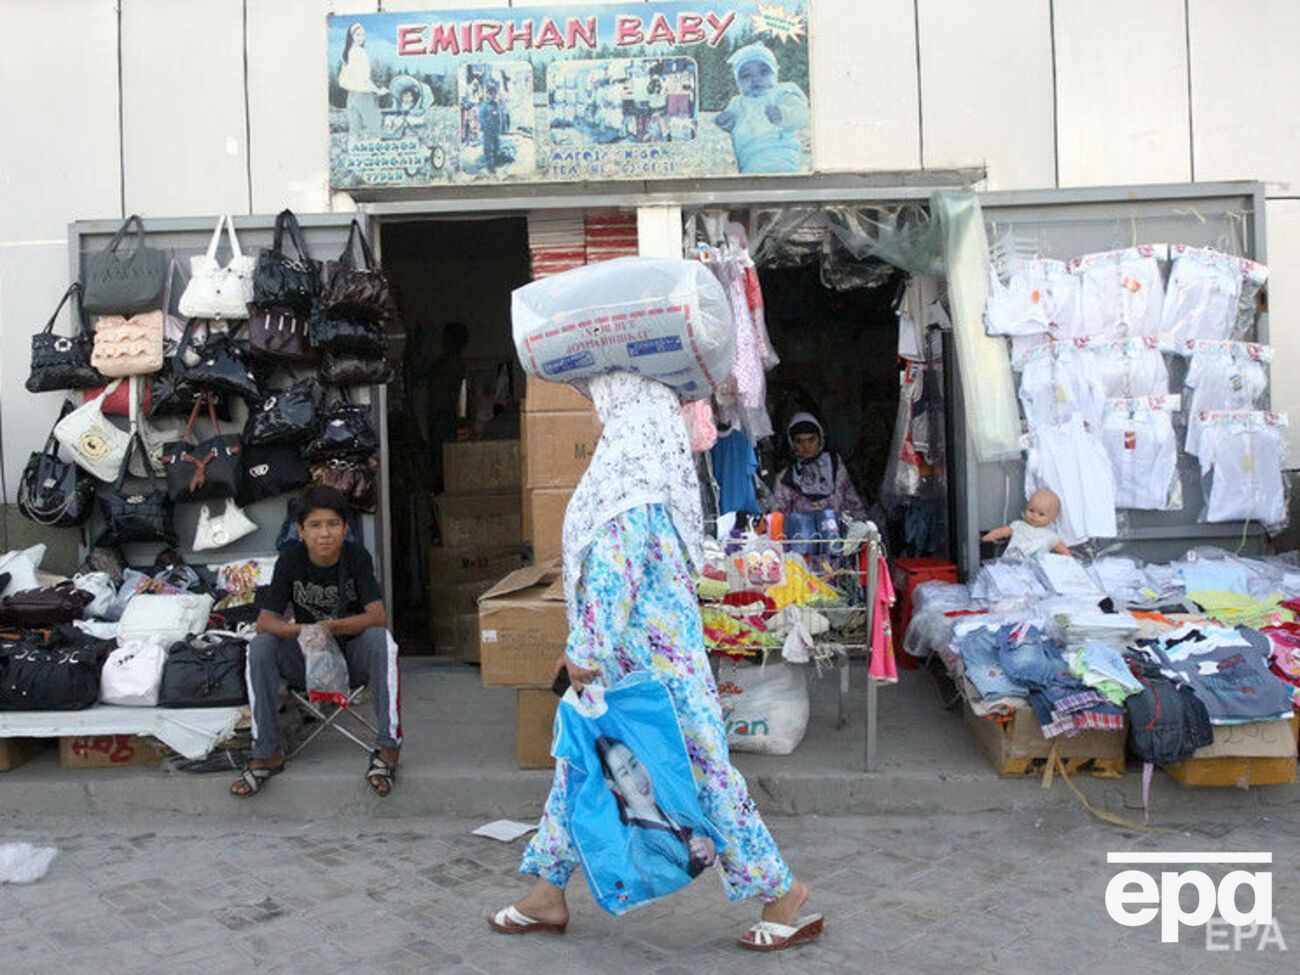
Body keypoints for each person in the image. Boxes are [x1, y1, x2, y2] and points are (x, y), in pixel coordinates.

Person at [488, 372, 823, 952]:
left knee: (706, 782)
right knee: (582, 769)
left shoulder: (628, 493)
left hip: (646, 680)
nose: (599, 420)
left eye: (607, 408)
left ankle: (783, 892)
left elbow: (615, 580)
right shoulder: (655, 490)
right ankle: (547, 890)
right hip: (643, 672)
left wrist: (583, 652)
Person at [230, 486, 401, 799]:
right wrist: (308, 631)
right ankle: (266, 751)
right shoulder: (290, 560)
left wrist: (332, 627)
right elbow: (265, 622)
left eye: (333, 524)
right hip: (309, 659)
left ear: (346, 529)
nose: (325, 534)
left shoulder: (356, 557)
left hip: (351, 659)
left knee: (381, 640)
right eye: (315, 525)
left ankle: (388, 746)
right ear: (301, 531)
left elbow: (377, 616)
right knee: (260, 647)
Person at [597, 736, 716, 883]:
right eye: (624, 774)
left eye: (634, 764)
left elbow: (698, 829)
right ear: (615, 787)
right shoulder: (639, 845)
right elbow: (676, 882)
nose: (639, 779)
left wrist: (706, 842)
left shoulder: (675, 816)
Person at [713, 43, 809, 174]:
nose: (755, 78)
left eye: (764, 72)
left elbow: (803, 116)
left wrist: (783, 114)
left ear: (775, 74)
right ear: (738, 82)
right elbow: (731, 122)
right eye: (746, 75)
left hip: (781, 160)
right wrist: (724, 122)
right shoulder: (738, 102)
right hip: (749, 163)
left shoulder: (781, 92)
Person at [771, 412, 867, 519]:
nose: (806, 446)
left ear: (820, 439)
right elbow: (778, 515)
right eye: (799, 441)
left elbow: (852, 501)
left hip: (838, 532)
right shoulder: (786, 476)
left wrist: (864, 527)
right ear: (791, 443)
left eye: (811, 439)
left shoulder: (835, 465)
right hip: (802, 534)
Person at [981, 487, 1073, 561]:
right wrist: (987, 538)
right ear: (1026, 507)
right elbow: (1001, 532)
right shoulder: (1018, 525)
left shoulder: (1050, 536)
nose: (1034, 516)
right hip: (1009, 564)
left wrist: (1070, 561)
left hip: (1034, 572)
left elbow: (1063, 551)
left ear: (1052, 518)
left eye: (1041, 514)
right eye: (1031, 510)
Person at [338, 23, 387, 144]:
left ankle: (354, 156)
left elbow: (343, 79)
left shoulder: (347, 54)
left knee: (354, 130)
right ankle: (373, 155)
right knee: (374, 127)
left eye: (363, 35)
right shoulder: (360, 52)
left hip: (351, 96)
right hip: (363, 95)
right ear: (351, 36)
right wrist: (378, 91)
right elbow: (365, 79)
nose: (361, 38)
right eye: (358, 35)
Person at [478, 81, 504, 174]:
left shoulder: (496, 105)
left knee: (496, 147)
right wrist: (486, 127)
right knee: (488, 149)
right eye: (490, 93)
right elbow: (481, 118)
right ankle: (490, 167)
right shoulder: (484, 105)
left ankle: (496, 163)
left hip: (495, 130)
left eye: (494, 93)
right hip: (488, 131)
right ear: (487, 94)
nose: (492, 95)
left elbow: (500, 118)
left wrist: (500, 128)